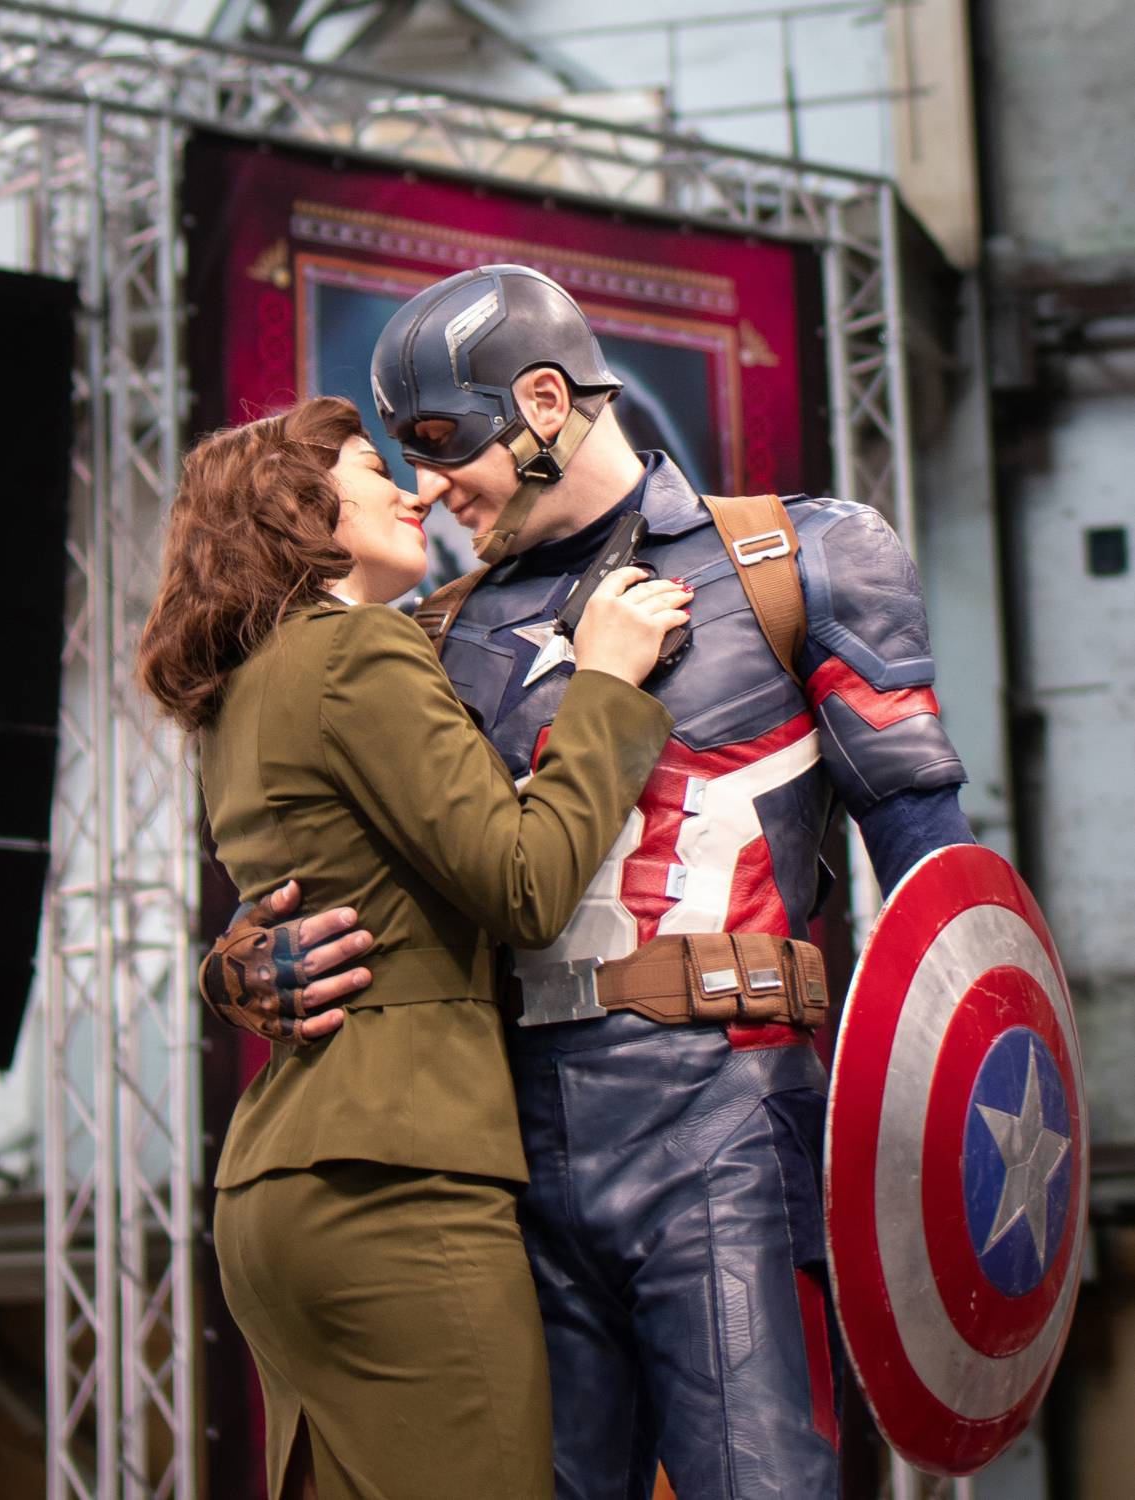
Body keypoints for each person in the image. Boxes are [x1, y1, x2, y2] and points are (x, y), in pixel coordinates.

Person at [201, 267, 976, 1500]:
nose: (428, 486)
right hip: (509, 1145)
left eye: (443, 440)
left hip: (727, 1120)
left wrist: (966, 1121)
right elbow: (352, 857)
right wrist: (245, 959)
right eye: (404, 454)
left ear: (546, 402)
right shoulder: (430, 631)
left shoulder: (798, 558)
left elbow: (938, 877)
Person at [136, 392, 692, 1500]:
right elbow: (524, 882)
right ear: (296, 504)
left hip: (284, 1190)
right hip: (400, 1181)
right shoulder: (356, 650)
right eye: (367, 465)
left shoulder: (244, 693)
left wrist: (224, 968)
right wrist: (605, 682)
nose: (412, 492)